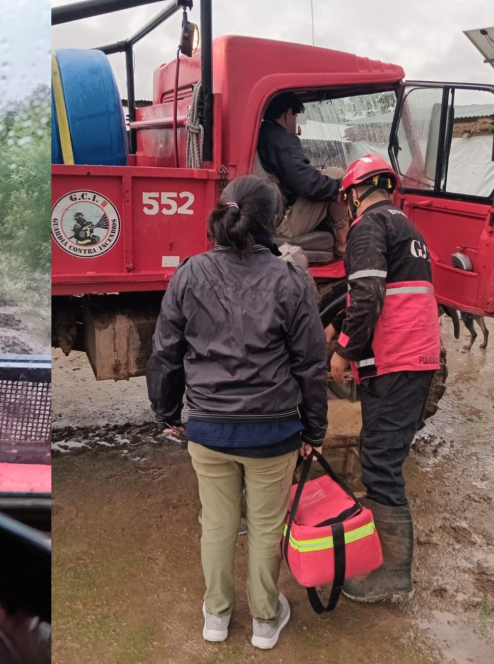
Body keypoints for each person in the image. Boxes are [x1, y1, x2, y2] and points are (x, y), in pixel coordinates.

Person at [147, 175, 328, 650]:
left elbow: (165, 353)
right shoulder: (291, 279)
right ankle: (266, 621)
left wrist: (167, 415)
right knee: (267, 527)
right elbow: (310, 363)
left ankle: (217, 616)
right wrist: (315, 429)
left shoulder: (188, 274)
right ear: (273, 220)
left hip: (208, 431)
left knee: (218, 524)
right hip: (273, 434)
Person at [328, 153, 442, 603]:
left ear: (354, 194)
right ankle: (385, 564)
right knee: (382, 455)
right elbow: (378, 291)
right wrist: (340, 321)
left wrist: (342, 352)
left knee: (379, 463)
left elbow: (370, 292)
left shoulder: (367, 227)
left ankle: (391, 573)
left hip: (397, 360)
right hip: (414, 358)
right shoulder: (406, 228)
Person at [257, 92, 349, 255]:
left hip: (270, 217)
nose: (299, 130)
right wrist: (347, 186)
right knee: (336, 176)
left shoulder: (265, 133)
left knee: (330, 178)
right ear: (290, 114)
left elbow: (295, 176)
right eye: (299, 120)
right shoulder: (281, 138)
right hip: (282, 225)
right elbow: (307, 183)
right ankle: (344, 243)